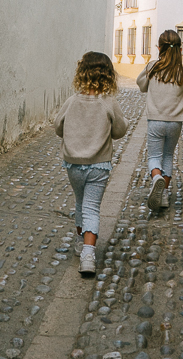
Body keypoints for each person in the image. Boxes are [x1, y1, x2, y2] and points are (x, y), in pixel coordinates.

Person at [55, 51, 127, 277]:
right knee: (92, 207)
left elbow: (58, 127)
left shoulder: (72, 101)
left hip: (74, 164)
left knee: (80, 203)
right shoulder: (108, 102)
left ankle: (80, 240)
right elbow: (120, 130)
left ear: (81, 73)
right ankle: (88, 254)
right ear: (108, 75)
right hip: (99, 165)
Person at [136, 28, 183, 212]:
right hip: (175, 123)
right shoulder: (181, 71)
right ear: (180, 50)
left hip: (155, 121)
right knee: (168, 156)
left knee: (154, 156)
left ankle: (156, 177)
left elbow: (141, 84)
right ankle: (163, 194)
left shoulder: (152, 67)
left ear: (159, 48)